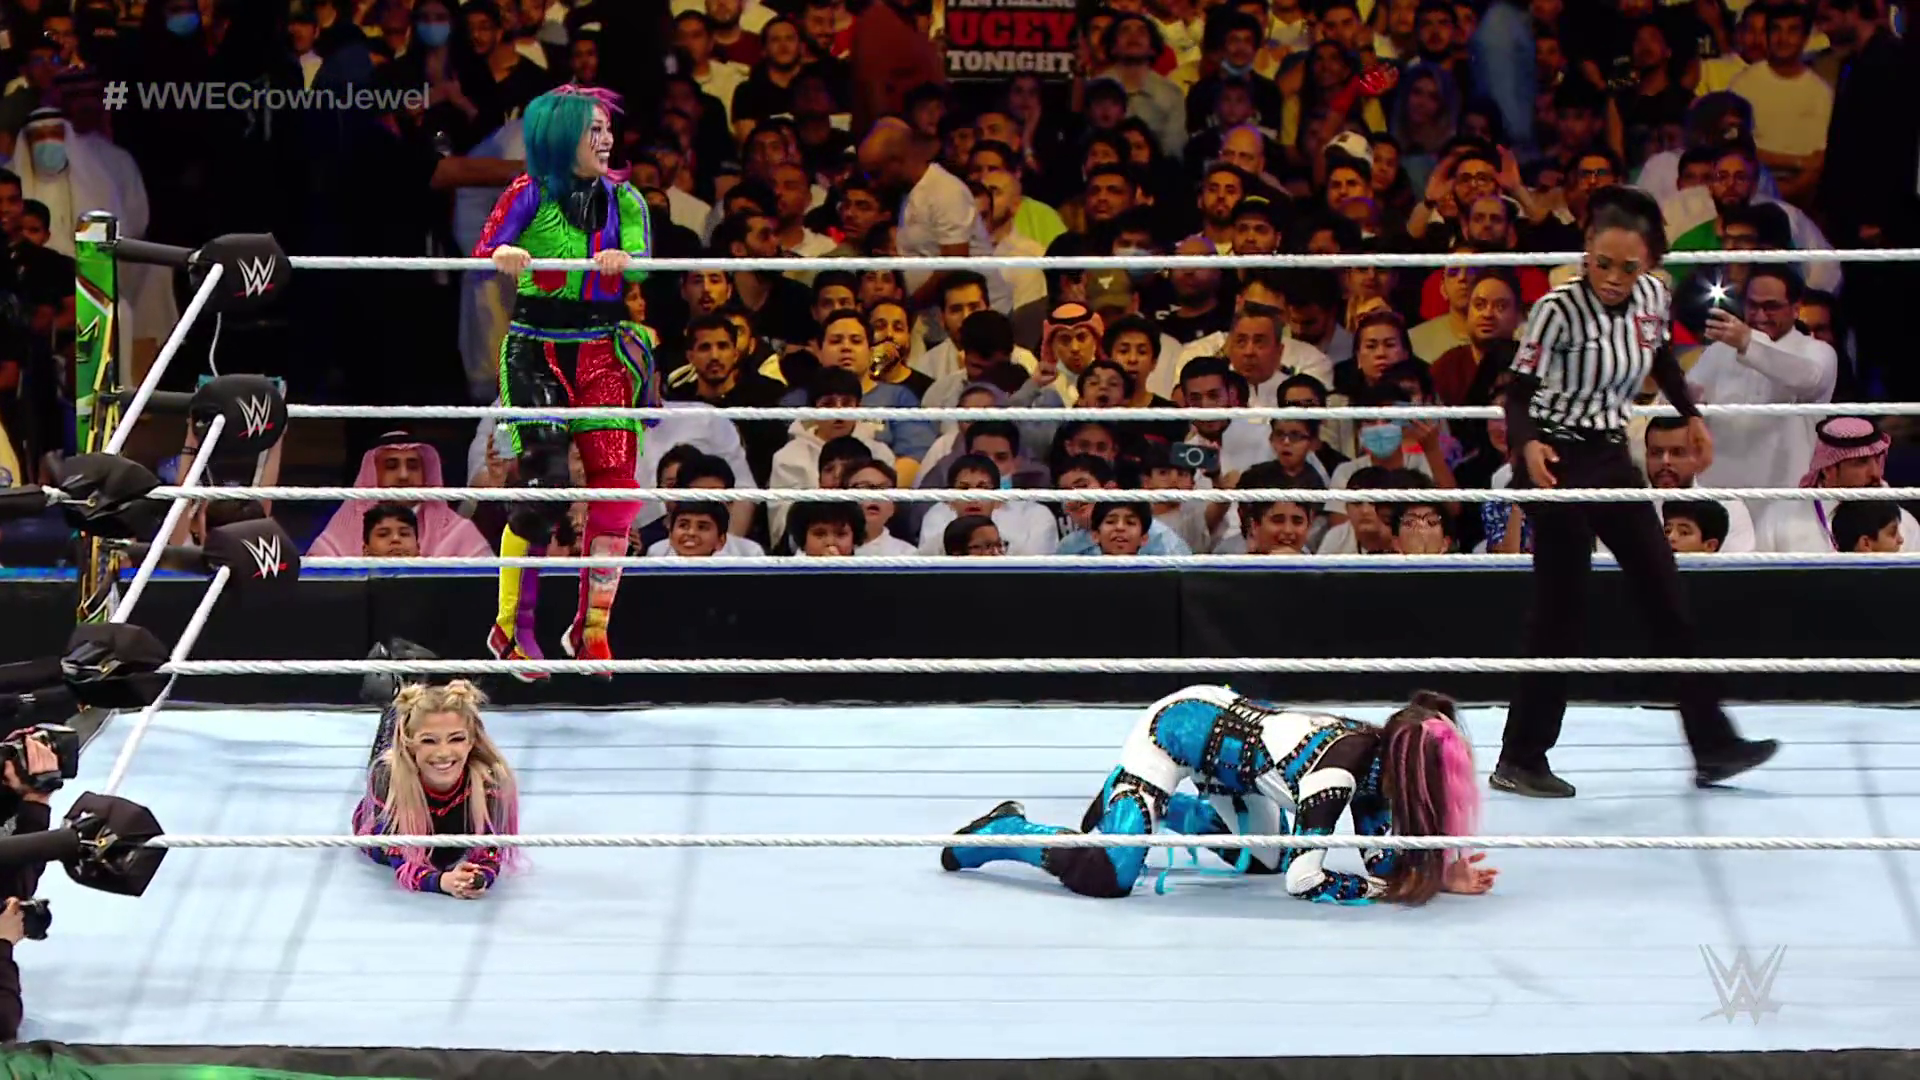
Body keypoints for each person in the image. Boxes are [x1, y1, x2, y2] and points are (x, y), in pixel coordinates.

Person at [1496, 185, 1776, 799]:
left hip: (1610, 455)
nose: (1613, 279)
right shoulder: (1556, 309)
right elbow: (1516, 394)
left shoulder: (1652, 295)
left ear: (1649, 264)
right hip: (1555, 458)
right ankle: (1520, 756)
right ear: (1585, 252)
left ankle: (1713, 745)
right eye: (1602, 264)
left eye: (1628, 267)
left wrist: (1691, 416)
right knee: (1561, 608)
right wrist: (1529, 444)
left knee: (1665, 591)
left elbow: (1662, 359)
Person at [941, 687, 1498, 905]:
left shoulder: (1381, 771)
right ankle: (1003, 831)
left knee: (1261, 860)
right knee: (1108, 877)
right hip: (1175, 731)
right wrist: (1384, 888)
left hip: (1235, 764)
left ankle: (1165, 810)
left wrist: (1436, 873)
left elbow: (1381, 855)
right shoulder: (1339, 774)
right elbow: (1304, 881)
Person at [474, 85, 658, 676]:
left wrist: (626, 261)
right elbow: (486, 246)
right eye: (592, 130)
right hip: (538, 348)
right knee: (546, 484)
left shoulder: (625, 197)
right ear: (561, 137)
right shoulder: (528, 191)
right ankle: (510, 627)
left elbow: (642, 258)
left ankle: (591, 629)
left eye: (607, 128)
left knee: (618, 491)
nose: (605, 140)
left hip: (604, 347)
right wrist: (506, 253)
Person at [352, 680, 520, 899]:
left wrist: (475, 878)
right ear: (410, 744)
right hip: (385, 821)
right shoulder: (388, 780)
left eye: (456, 739)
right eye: (429, 741)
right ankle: (393, 702)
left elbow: (490, 853)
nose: (443, 752)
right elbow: (403, 861)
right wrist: (441, 882)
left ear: (471, 741)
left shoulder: (490, 780)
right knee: (385, 762)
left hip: (449, 841)